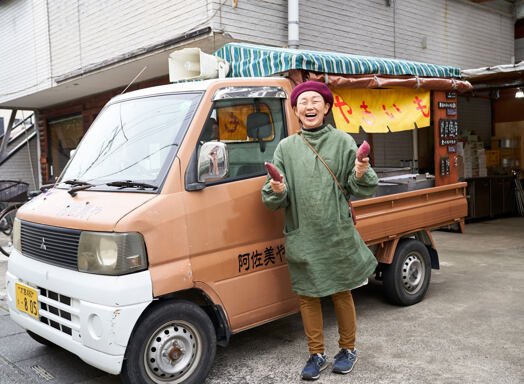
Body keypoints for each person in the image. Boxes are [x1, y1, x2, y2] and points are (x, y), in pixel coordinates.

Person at [261, 81, 378, 380]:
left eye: (316, 101)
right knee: (307, 296)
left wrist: (361, 171)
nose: (309, 106)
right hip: (303, 234)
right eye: (302, 102)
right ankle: (316, 354)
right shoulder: (286, 148)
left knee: (341, 292)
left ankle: (348, 349)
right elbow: (275, 199)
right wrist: (277, 188)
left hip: (335, 233)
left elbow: (358, 186)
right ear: (296, 111)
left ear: (327, 107)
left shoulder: (342, 141)